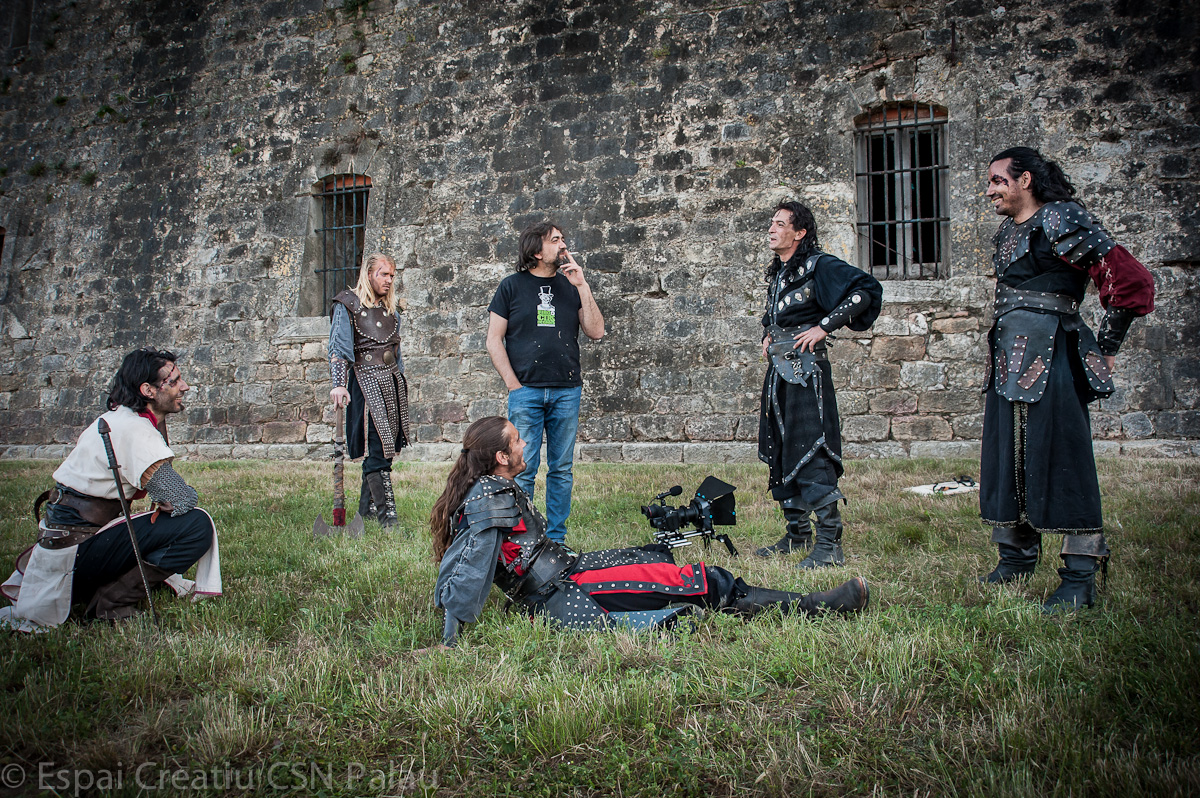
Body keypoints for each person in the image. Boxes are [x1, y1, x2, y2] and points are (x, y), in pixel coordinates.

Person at [430, 416, 870, 647]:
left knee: (650, 554)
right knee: (698, 581)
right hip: (559, 592)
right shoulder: (489, 499)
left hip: (566, 571)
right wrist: (450, 640)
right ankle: (813, 606)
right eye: (517, 440)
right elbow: (469, 569)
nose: (524, 443)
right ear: (501, 457)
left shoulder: (490, 487)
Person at [978, 147, 1155, 612]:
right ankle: (1015, 557)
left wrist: (1108, 347)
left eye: (998, 180)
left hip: (1053, 353)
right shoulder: (1007, 231)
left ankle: (1079, 574)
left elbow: (1131, 280)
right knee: (1008, 454)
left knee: (1063, 456)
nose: (990, 189)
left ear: (1026, 180)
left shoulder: (1061, 217)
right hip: (1007, 356)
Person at [1, 348, 221, 630]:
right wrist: (181, 497)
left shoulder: (118, 419)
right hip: (76, 552)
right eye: (175, 381)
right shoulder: (134, 429)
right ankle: (111, 602)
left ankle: (106, 588)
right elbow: (179, 499)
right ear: (148, 390)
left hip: (71, 544)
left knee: (173, 524)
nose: (185, 386)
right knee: (197, 525)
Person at [755, 201, 883, 569]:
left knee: (812, 451)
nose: (772, 229)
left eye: (781, 224)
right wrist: (768, 334)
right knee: (782, 449)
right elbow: (777, 315)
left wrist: (823, 327)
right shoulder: (781, 273)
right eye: (772, 222)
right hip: (779, 373)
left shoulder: (819, 265)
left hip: (806, 374)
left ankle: (829, 544)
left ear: (800, 232)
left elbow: (863, 291)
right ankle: (797, 534)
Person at [486, 221, 605, 545]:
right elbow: (494, 340)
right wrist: (513, 384)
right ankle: (524, 542)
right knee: (522, 468)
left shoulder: (571, 286)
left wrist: (582, 285)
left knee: (561, 469)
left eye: (563, 239)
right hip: (526, 392)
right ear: (537, 250)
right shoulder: (511, 287)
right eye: (555, 240)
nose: (563, 245)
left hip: (567, 391)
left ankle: (556, 541)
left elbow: (596, 331)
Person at [329, 253, 412, 529]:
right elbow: (339, 348)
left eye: (392, 276)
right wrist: (339, 384)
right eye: (383, 274)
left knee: (385, 449)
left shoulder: (392, 312)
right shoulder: (348, 305)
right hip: (365, 383)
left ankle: (367, 511)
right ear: (368, 274)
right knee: (376, 449)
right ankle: (388, 520)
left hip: (391, 383)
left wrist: (400, 384)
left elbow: (396, 354)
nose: (389, 280)